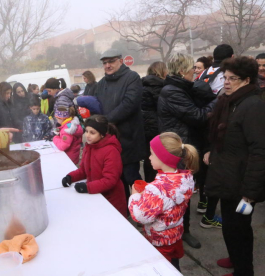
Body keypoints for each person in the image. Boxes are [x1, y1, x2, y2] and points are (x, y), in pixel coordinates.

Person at [204, 56, 265, 276]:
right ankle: (235, 258)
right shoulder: (229, 102)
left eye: (232, 78)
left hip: (242, 182)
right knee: (230, 226)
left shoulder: (254, 106)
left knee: (240, 229)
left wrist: (250, 192)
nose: (226, 82)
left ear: (246, 81)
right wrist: (211, 152)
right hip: (226, 177)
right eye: (225, 77)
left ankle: (244, 270)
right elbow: (226, 137)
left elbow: (261, 151)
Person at [158, 52, 216, 248]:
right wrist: (219, 100)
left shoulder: (180, 88)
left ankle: (182, 230)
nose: (195, 72)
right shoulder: (172, 91)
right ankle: (180, 232)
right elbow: (197, 116)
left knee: (184, 192)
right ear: (182, 71)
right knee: (178, 194)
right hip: (176, 150)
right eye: (192, 69)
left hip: (183, 146)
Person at [129, 132, 198, 272]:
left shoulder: (157, 189)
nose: (149, 157)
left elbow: (141, 216)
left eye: (152, 154)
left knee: (162, 270)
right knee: (174, 266)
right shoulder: (186, 179)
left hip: (159, 241)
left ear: (163, 158)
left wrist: (135, 196)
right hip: (175, 236)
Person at [95, 48, 145, 202]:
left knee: (132, 177)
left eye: (111, 61)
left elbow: (129, 104)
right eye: (105, 63)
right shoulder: (102, 83)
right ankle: (125, 210)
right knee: (116, 178)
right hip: (110, 139)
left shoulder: (132, 77)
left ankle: (145, 208)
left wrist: (105, 121)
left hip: (128, 138)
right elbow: (97, 105)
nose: (108, 65)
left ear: (120, 61)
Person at [61, 115, 127, 217]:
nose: (87, 135)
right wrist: (70, 177)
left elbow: (110, 180)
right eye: (86, 131)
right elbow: (84, 170)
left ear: (102, 134)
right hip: (96, 196)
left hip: (112, 201)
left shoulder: (111, 151)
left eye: (92, 133)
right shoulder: (89, 146)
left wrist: (87, 187)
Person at [141, 61, 167, 182]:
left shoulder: (142, 85)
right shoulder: (160, 86)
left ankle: (149, 182)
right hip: (157, 126)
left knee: (149, 157)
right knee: (160, 157)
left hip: (144, 126)